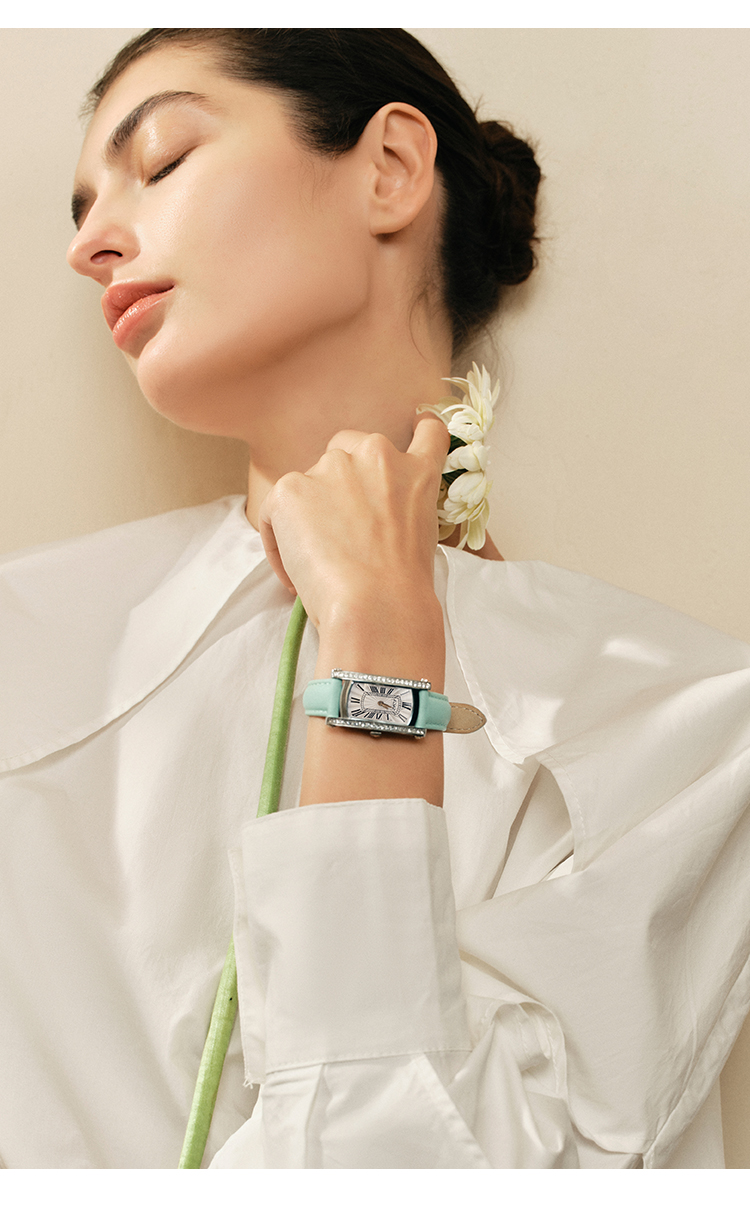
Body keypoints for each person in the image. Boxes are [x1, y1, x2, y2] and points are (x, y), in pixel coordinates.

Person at [1, 27, 749, 1169]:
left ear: (392, 169)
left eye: (160, 160)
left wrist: (380, 652)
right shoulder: (25, 648)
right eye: (81, 210)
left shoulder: (673, 726)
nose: (88, 244)